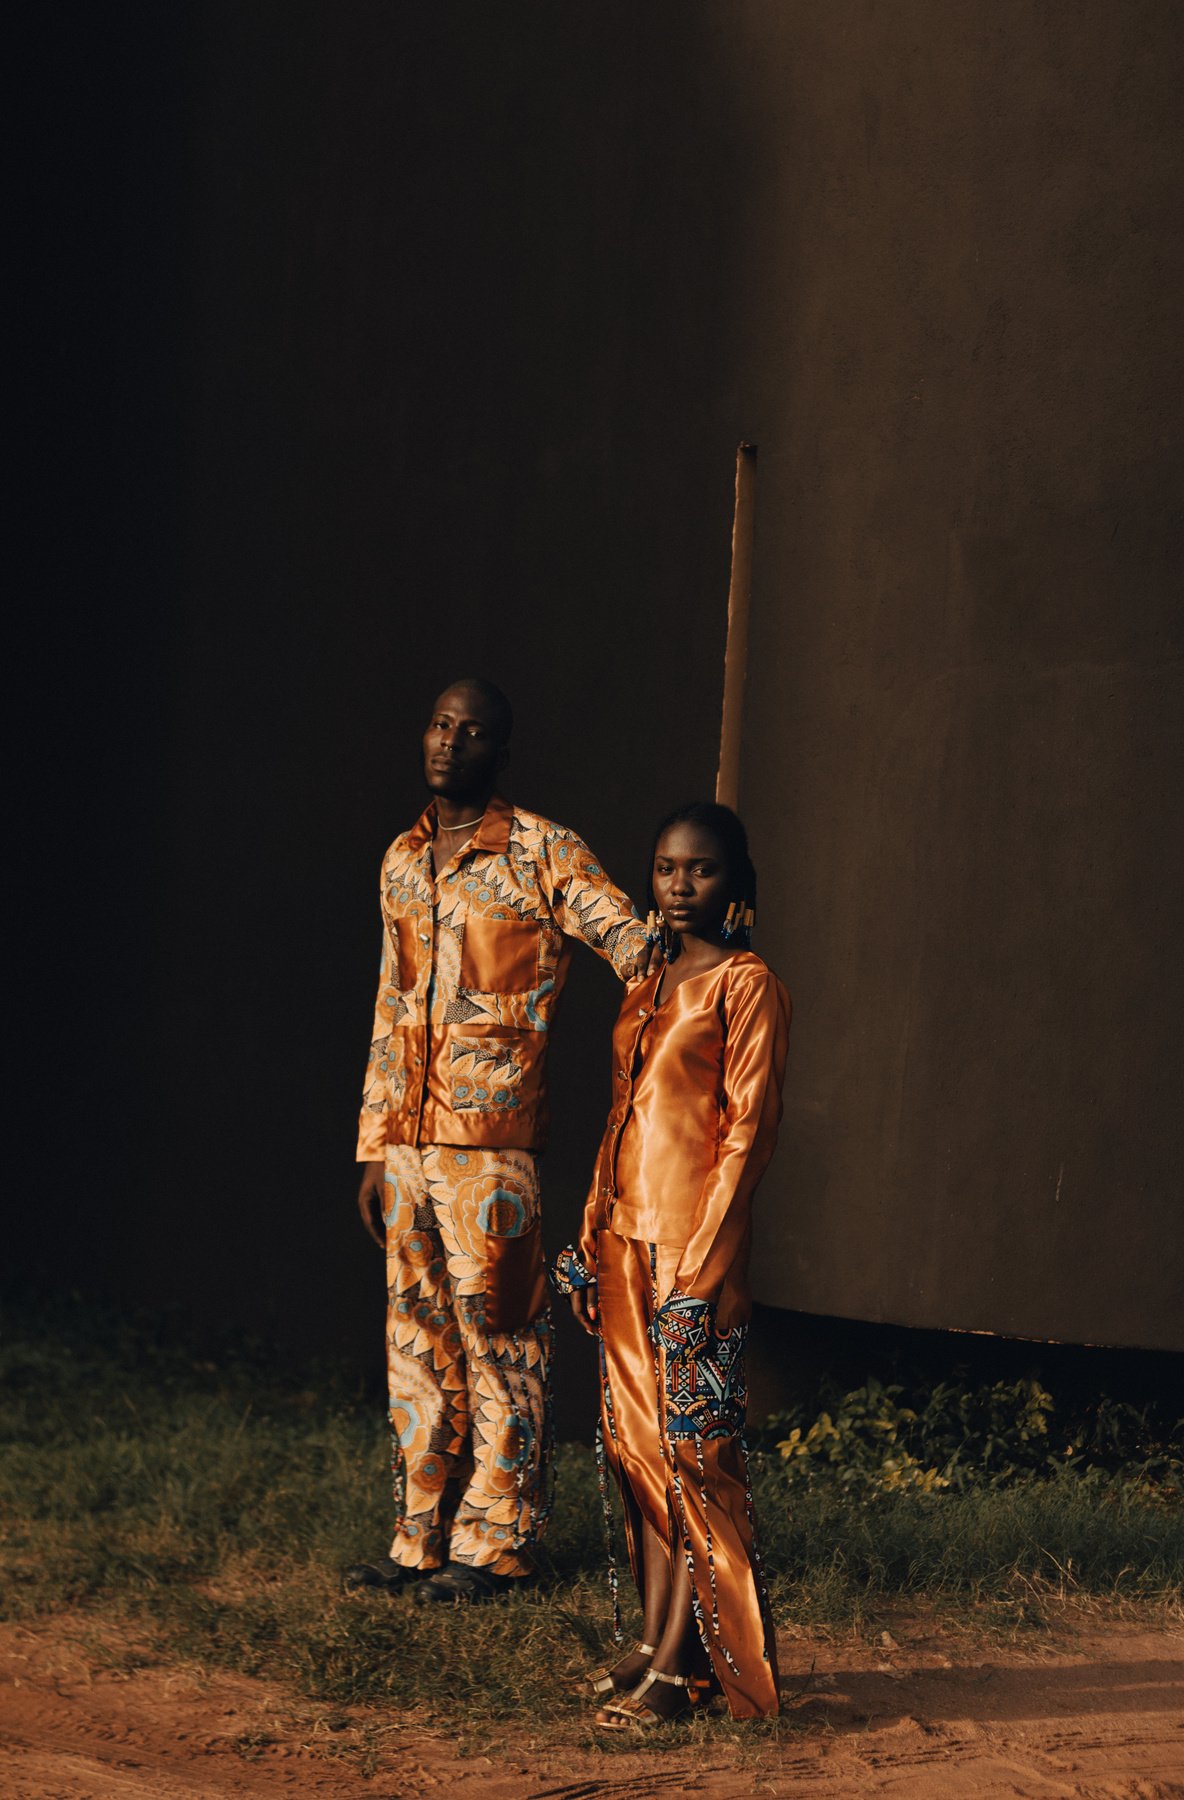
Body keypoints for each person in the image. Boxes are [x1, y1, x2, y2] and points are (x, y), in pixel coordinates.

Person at [346, 677, 653, 1605]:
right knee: (417, 1341)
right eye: (440, 724)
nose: (450, 742)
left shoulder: (539, 851)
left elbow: (631, 942)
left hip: (492, 1152)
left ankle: (500, 1546)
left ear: (500, 752)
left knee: (504, 1343)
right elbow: (391, 1003)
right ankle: (420, 1543)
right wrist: (372, 1140)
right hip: (404, 1146)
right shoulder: (402, 859)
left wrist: (699, 971)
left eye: (472, 732)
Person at [554, 801, 791, 1723]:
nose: (679, 886)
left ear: (736, 883)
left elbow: (746, 1138)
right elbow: (621, 1118)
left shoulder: (746, 983)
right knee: (635, 1452)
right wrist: (588, 1240)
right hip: (621, 1242)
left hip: (690, 1253)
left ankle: (697, 1670)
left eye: (700, 870)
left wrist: (700, 1275)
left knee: (693, 1459)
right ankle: (662, 1651)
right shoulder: (648, 980)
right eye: (663, 869)